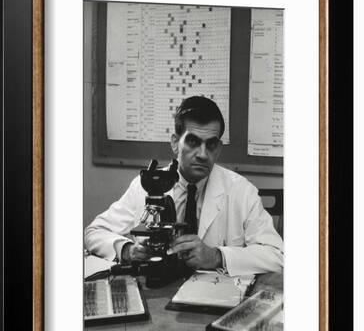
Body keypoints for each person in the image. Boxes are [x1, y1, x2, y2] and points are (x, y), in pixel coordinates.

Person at [84, 96, 283, 276]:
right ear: (174, 143)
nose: (203, 154)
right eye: (193, 142)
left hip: (215, 299)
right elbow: (94, 232)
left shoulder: (241, 191)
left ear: (219, 148)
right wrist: (127, 250)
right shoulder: (149, 185)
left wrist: (216, 256)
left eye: (211, 144)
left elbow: (277, 256)